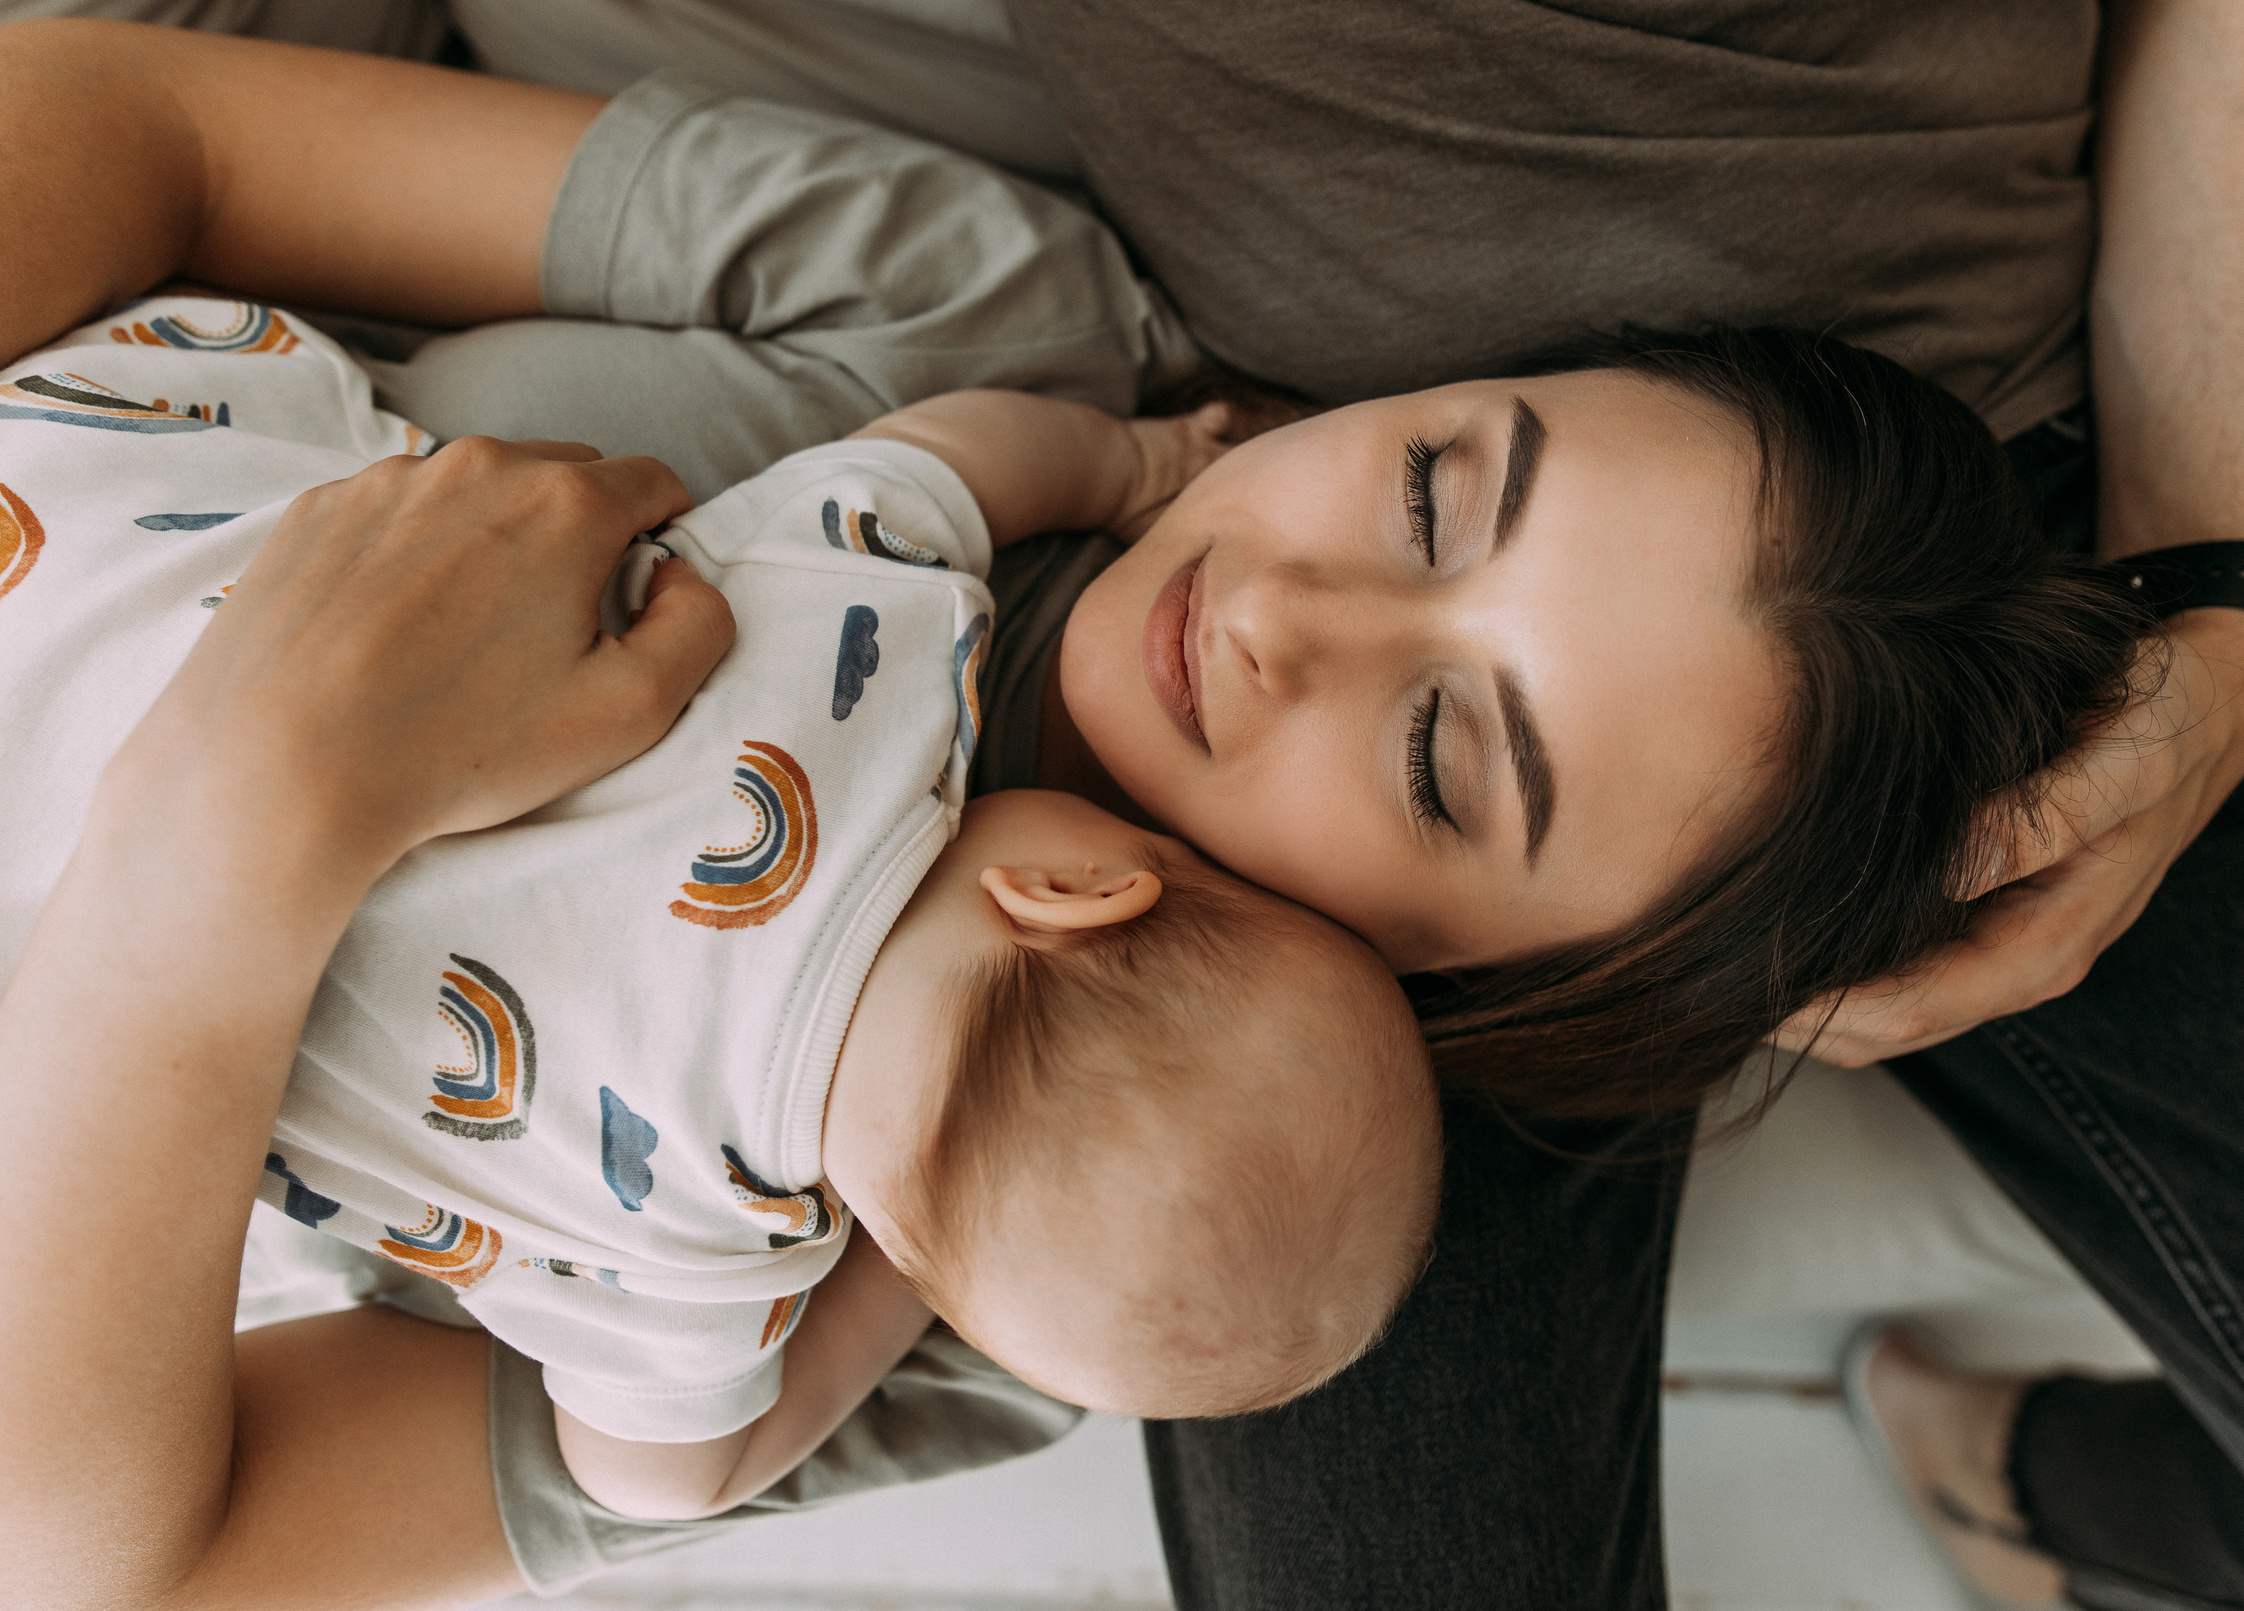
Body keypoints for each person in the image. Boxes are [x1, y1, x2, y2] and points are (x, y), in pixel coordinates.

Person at [10, 0, 2244, 1608]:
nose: (1290, 606)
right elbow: (149, 132)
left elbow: (110, 1557)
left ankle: (2100, 1501)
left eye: (1445, 761)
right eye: (1436, 473)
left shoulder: (1013, 1254)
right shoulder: (966, 319)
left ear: (1466, 984)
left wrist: (245, 831)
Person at [0, 286, 1443, 1517]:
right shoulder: (683, 1273)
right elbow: (667, 1483)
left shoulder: (864, 652)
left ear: (1082, 887)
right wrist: (924, 1261)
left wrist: (1139, 462)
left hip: (66, 500)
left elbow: (949, 461)